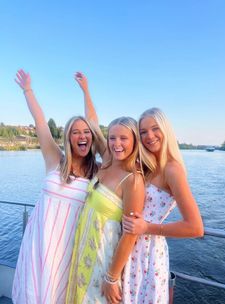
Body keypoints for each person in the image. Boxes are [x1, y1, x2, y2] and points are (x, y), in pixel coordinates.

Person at [12, 70, 105, 304]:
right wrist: (27, 90)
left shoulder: (98, 172)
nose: (82, 136)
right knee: (33, 292)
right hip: (40, 241)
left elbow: (93, 124)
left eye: (86, 133)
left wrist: (86, 91)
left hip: (69, 246)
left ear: (92, 138)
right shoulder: (55, 160)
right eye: (75, 132)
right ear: (68, 138)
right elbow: (40, 122)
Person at [122, 107, 204, 304]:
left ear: (165, 130)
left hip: (149, 253)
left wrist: (147, 227)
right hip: (129, 248)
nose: (149, 136)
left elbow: (195, 227)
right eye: (143, 132)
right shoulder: (147, 165)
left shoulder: (172, 169)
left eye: (155, 128)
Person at [66, 116, 150, 304]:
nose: (116, 144)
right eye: (112, 138)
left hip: (102, 255)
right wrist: (86, 90)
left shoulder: (133, 179)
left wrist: (112, 277)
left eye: (123, 138)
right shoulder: (105, 165)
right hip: (83, 246)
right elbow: (93, 124)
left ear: (135, 141)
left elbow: (130, 234)